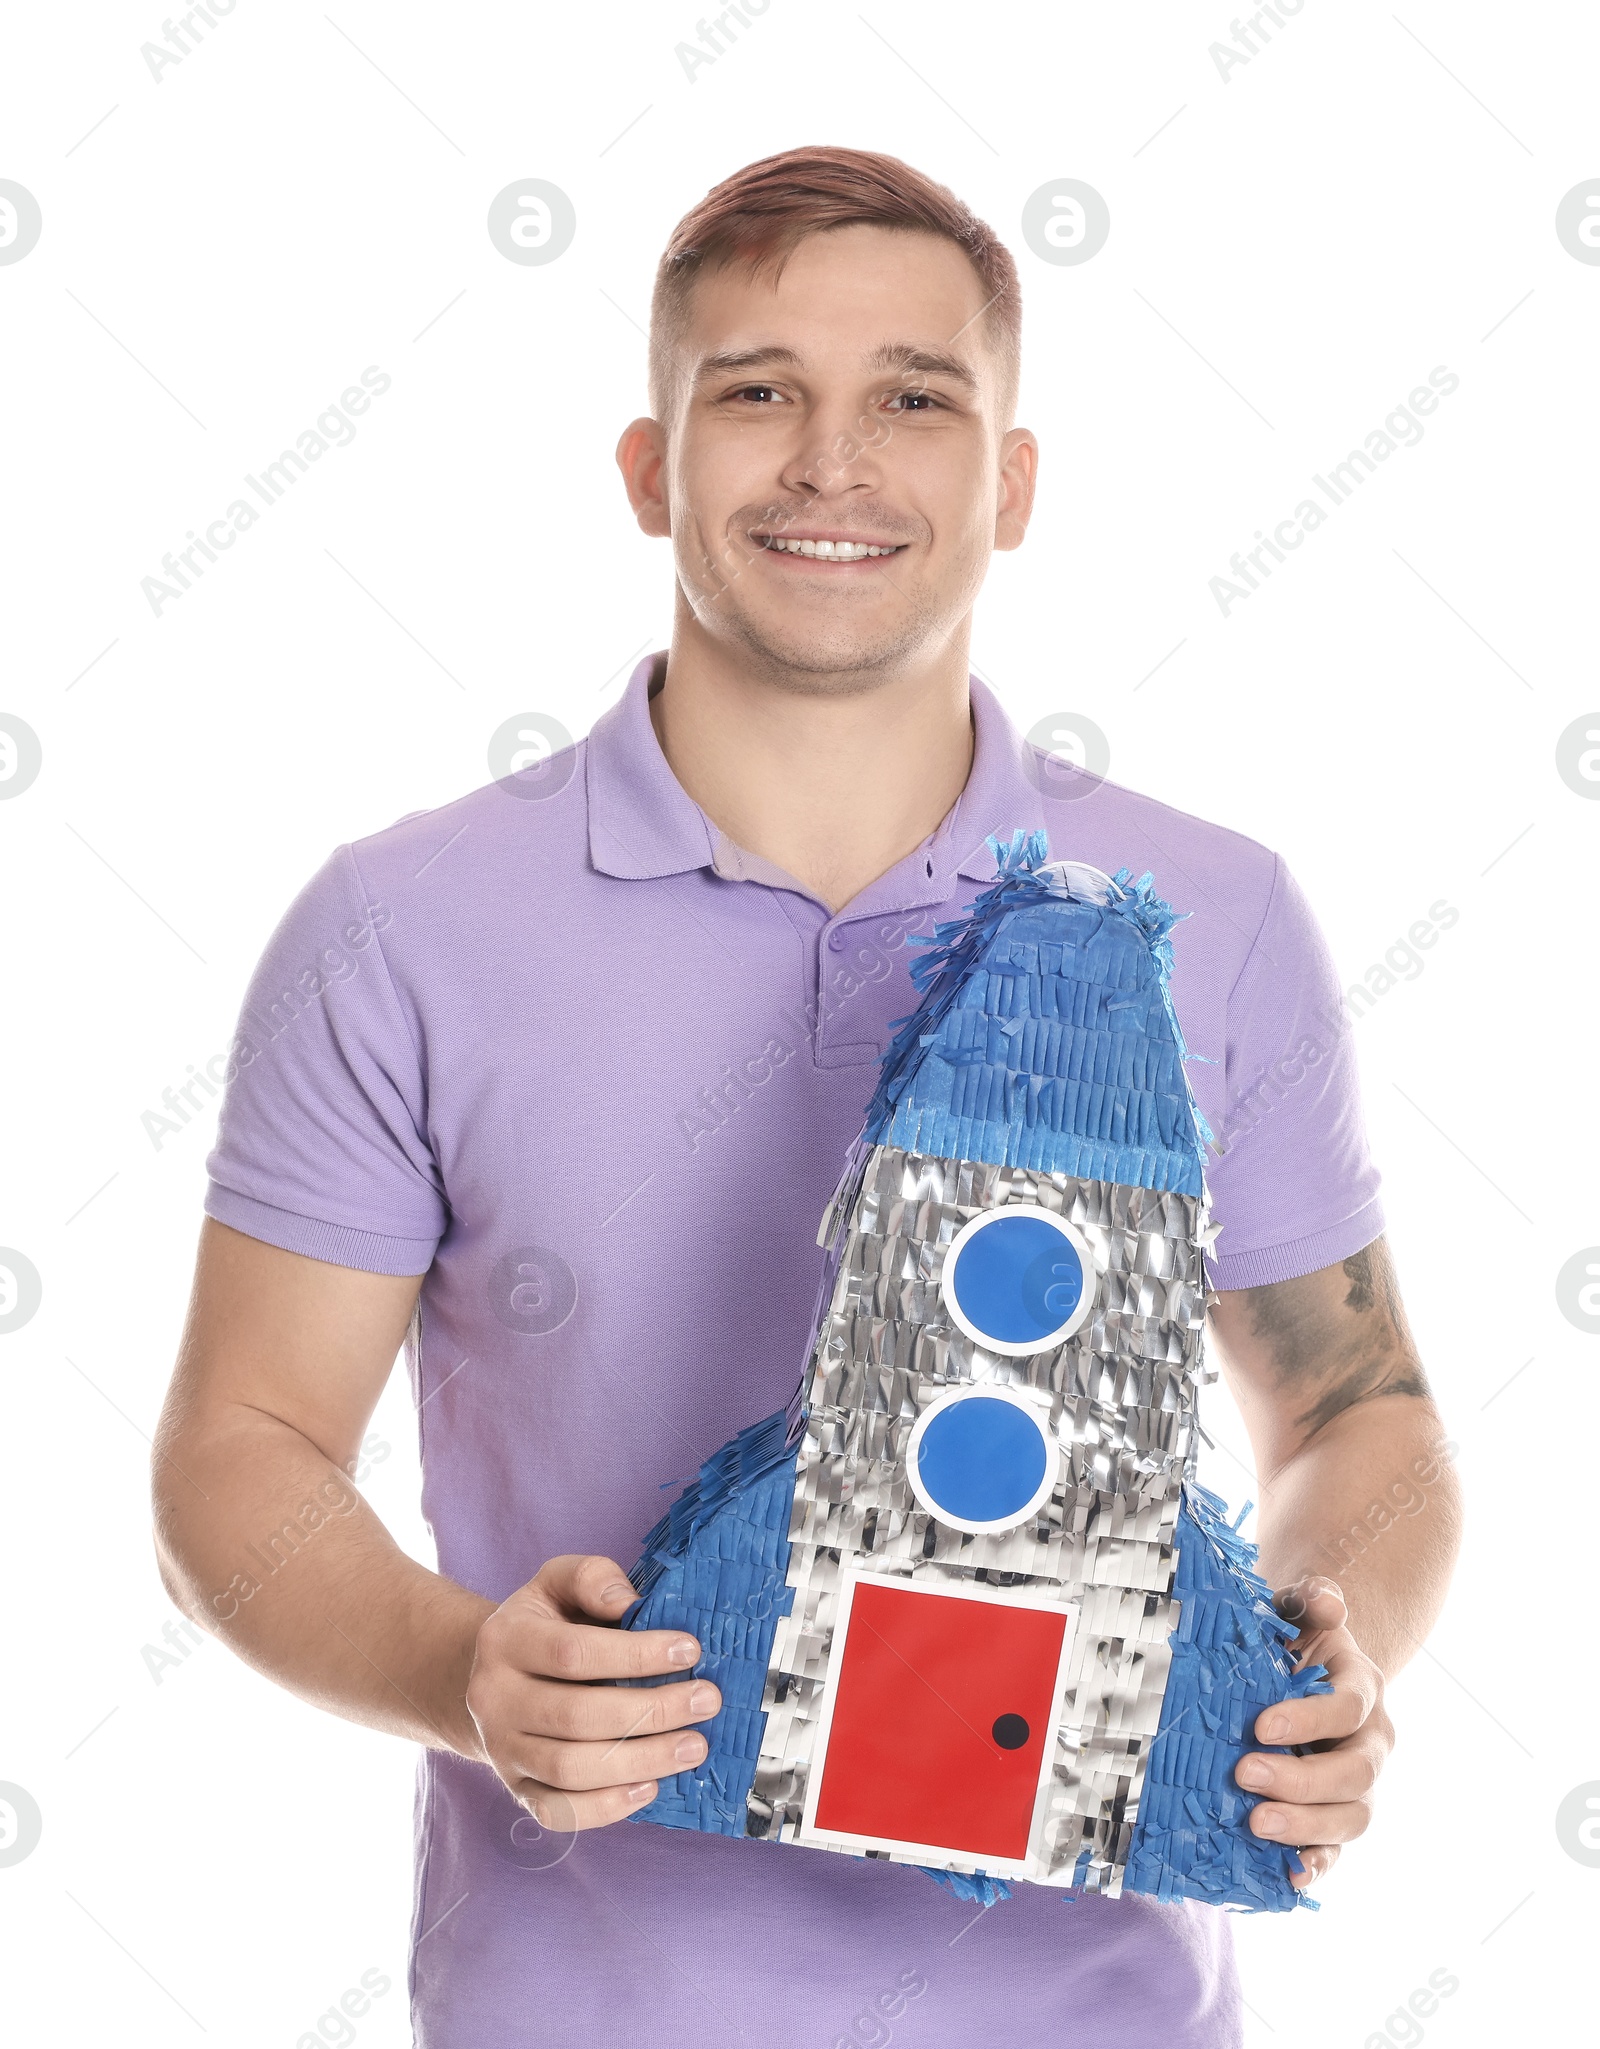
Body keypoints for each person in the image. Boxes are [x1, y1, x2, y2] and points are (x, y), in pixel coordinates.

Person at [152, 146, 1462, 2048]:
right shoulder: (400, 926)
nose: (833, 461)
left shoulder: (1211, 919)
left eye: (915, 399)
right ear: (647, 464)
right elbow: (238, 1450)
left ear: (1009, 485)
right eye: (758, 390)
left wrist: (1311, 1650)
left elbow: (1362, 1406)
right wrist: (471, 1674)